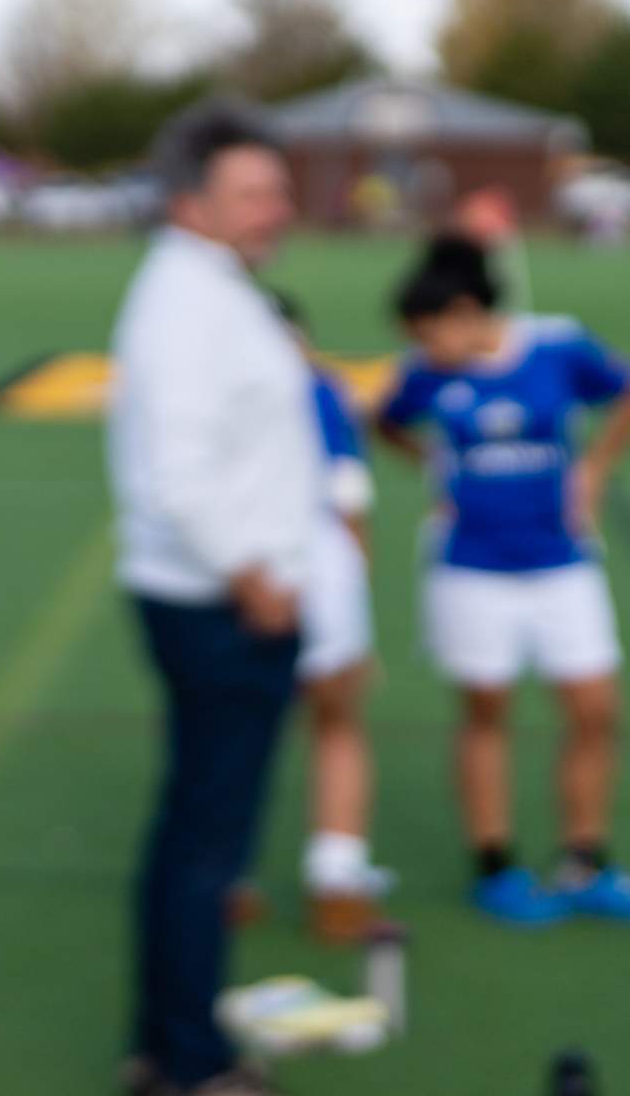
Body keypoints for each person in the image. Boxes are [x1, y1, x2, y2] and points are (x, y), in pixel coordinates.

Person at [107, 101, 323, 1096]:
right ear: (193, 202)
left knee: (196, 832)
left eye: (278, 188)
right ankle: (190, 1065)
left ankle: (169, 1045)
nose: (276, 207)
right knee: (206, 843)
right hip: (221, 603)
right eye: (254, 192)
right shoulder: (189, 302)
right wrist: (254, 576)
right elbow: (176, 471)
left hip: (222, 596)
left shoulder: (209, 286)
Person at [373, 234, 630, 926]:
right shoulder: (425, 372)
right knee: (486, 711)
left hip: (562, 559)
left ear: (468, 311)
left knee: (595, 709)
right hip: (470, 567)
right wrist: (431, 464)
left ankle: (585, 860)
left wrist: (594, 466)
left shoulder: (558, 346)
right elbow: (386, 420)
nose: (423, 347)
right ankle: (495, 865)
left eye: (428, 331)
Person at [264, 291, 392, 943]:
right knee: (338, 720)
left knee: (239, 733)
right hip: (319, 565)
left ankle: (228, 881)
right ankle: (336, 882)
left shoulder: (214, 387)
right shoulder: (321, 387)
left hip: (234, 571)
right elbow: (349, 492)